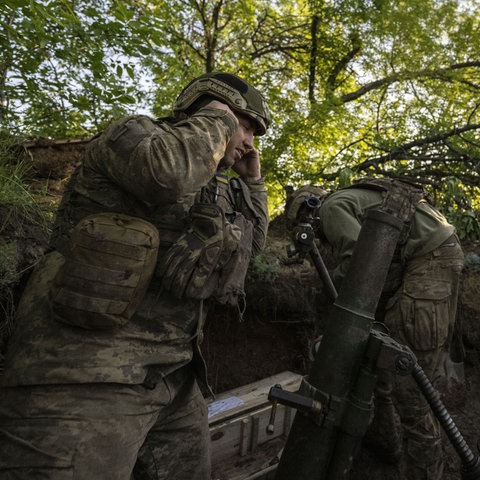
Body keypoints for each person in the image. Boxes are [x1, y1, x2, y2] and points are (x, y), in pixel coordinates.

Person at [0, 72, 271, 480]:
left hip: (173, 379)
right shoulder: (135, 135)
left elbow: (251, 251)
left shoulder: (216, 183)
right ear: (214, 107)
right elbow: (165, 174)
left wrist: (253, 183)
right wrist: (220, 120)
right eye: (247, 125)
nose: (250, 141)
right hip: (84, 378)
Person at [286, 178, 464, 480]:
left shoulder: (330, 207)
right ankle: (387, 447)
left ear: (306, 212)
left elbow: (359, 262)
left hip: (428, 262)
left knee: (411, 392)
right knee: (382, 369)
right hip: (431, 257)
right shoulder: (353, 199)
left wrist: (322, 282)